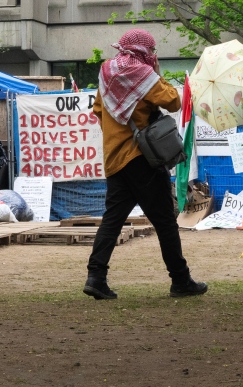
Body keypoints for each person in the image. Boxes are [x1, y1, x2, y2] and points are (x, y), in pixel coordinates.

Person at [83, 29, 208, 300]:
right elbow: (174, 101)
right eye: (151, 51)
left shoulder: (107, 71)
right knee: (165, 222)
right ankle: (180, 280)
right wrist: (156, 73)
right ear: (146, 51)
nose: (152, 55)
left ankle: (96, 277)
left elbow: (97, 110)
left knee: (112, 220)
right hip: (143, 160)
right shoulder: (143, 74)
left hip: (115, 159)